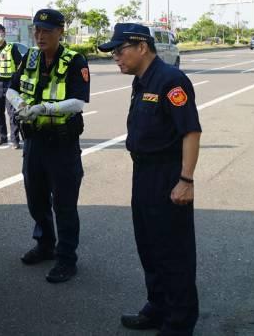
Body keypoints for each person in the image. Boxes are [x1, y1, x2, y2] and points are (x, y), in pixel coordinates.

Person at [98, 23, 201, 336]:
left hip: (167, 174)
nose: (115, 56)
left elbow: (191, 131)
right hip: (143, 173)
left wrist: (186, 179)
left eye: (120, 50)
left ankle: (179, 323)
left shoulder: (171, 79)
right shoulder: (141, 80)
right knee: (149, 245)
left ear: (142, 47)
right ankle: (157, 307)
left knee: (173, 252)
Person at [6, 9, 90, 283]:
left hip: (62, 145)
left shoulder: (74, 60)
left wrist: (43, 108)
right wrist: (20, 105)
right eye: (37, 31)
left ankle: (67, 259)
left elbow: (78, 102)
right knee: (36, 199)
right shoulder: (29, 57)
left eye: (47, 31)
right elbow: (12, 88)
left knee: (65, 205)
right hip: (34, 142)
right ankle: (45, 245)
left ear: (60, 32)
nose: (40, 36)